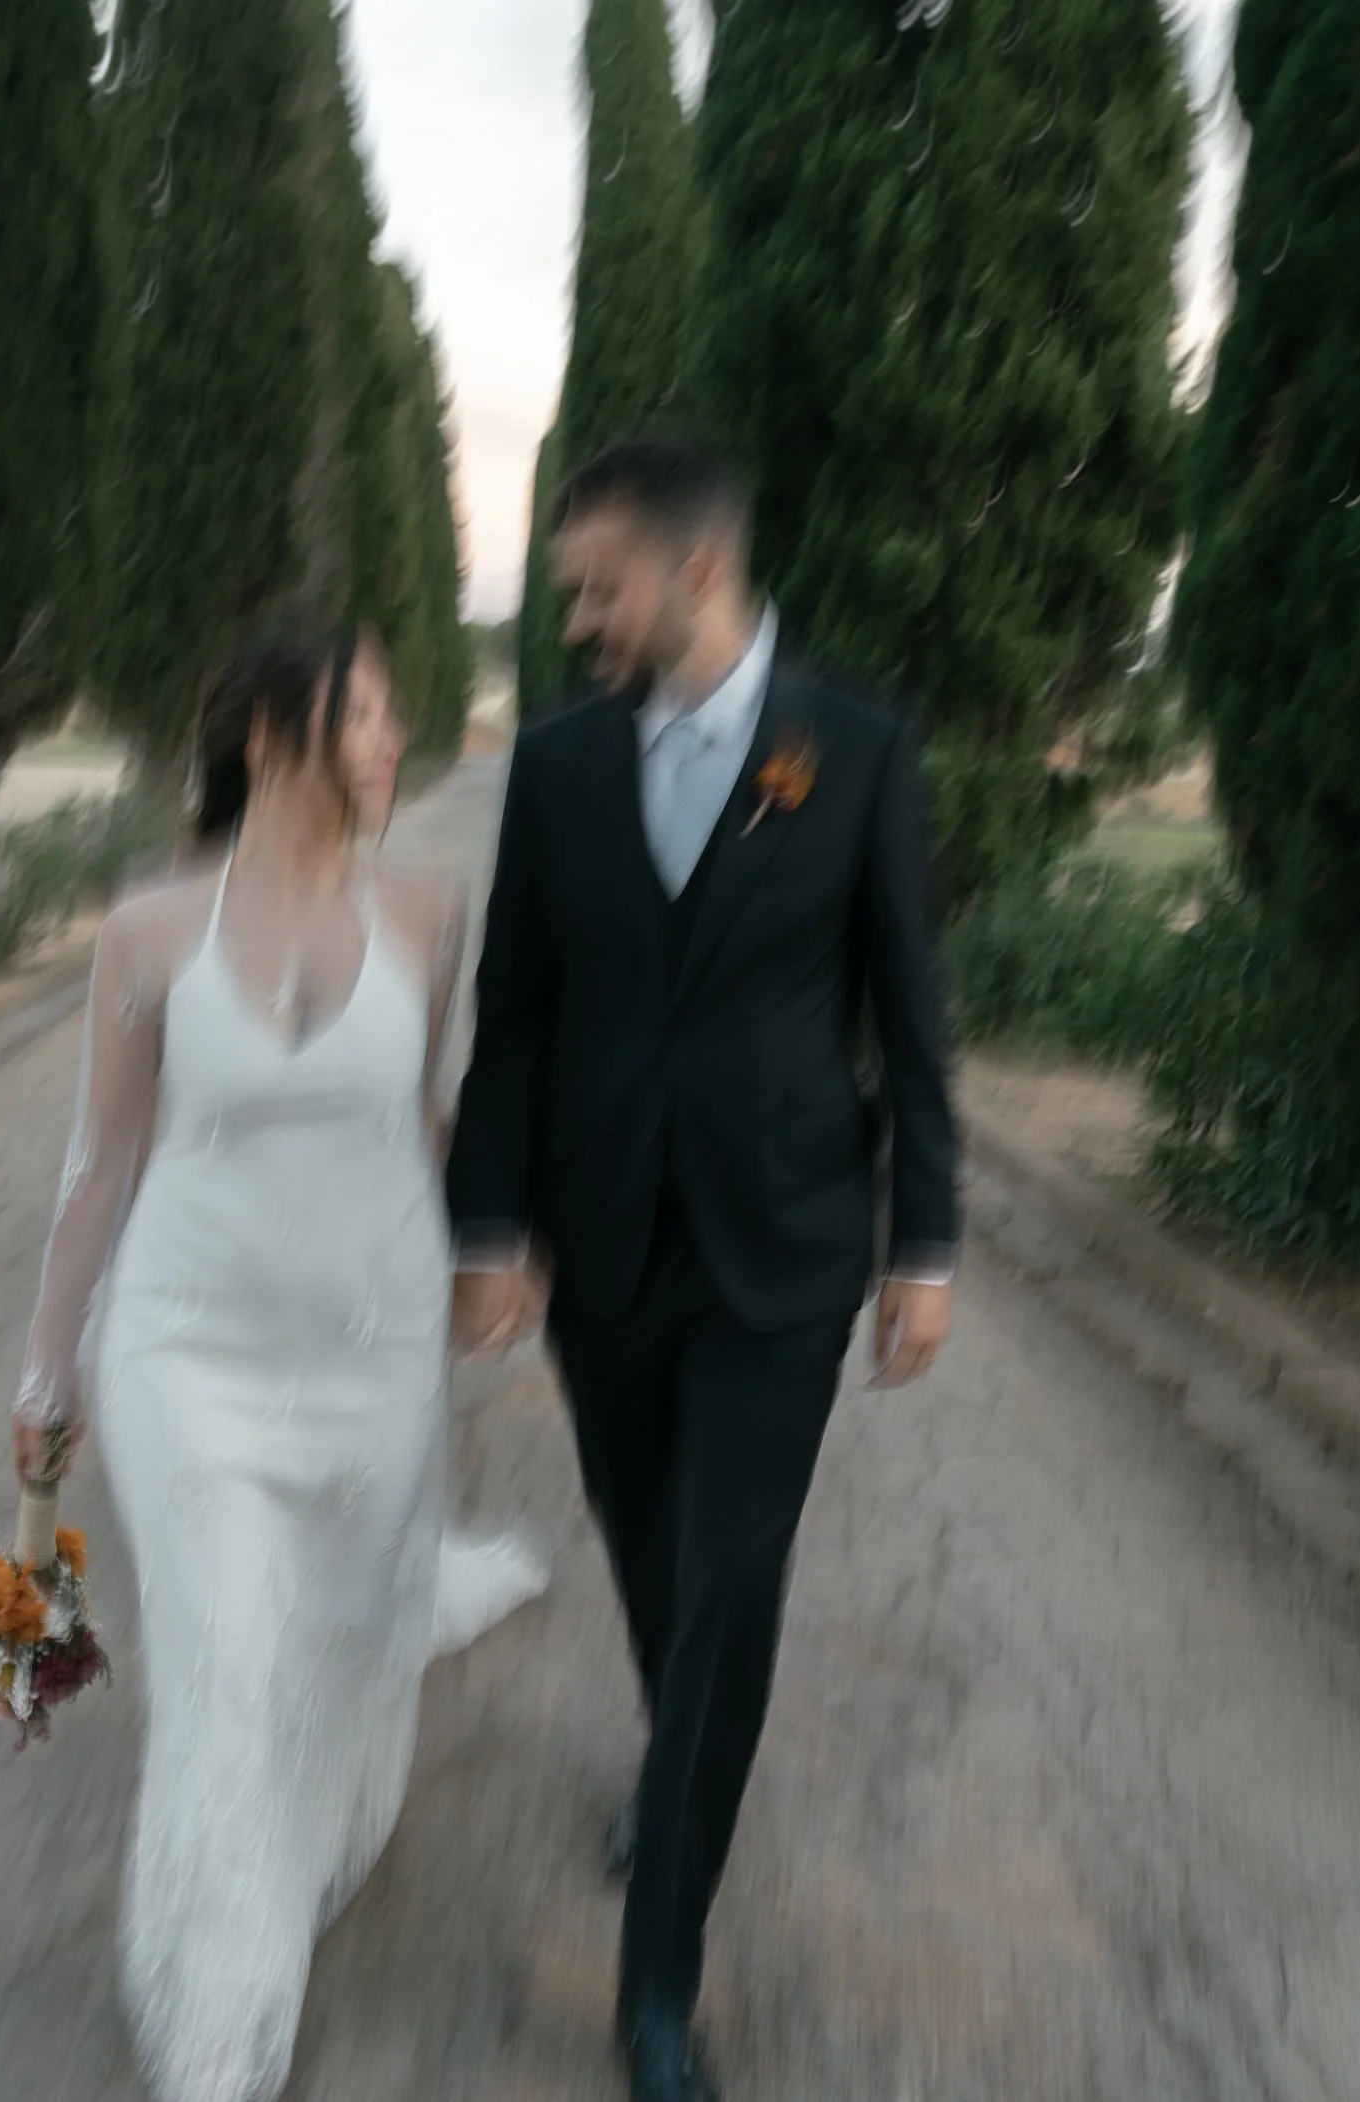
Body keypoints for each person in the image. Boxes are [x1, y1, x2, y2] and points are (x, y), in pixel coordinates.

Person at [448, 435, 960, 2102]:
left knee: (729, 1592)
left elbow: (913, 1016)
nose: (575, 618)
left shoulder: (856, 751)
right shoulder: (555, 765)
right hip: (602, 1248)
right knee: (657, 1566)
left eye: (596, 587)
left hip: (785, 1253)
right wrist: (488, 1227)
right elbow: (515, 1014)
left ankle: (656, 1984)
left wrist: (927, 1241)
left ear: (698, 572)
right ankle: (682, 1767)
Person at [12, 625, 545, 2102]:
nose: (390, 738)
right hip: (184, 1356)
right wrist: (47, 1374)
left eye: (390, 715)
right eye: (359, 713)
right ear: (265, 736)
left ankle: (300, 1827)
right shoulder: (146, 930)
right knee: (225, 1670)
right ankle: (215, 2021)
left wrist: (504, 1238)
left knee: (344, 1638)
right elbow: (101, 1167)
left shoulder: (428, 914)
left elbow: (419, 1118)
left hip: (374, 1357)